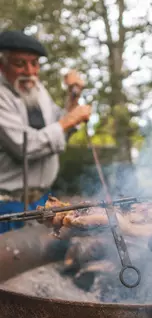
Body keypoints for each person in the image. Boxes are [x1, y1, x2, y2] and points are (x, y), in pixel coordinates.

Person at [0, 30, 92, 234]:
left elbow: (58, 127)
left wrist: (72, 100)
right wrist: (70, 119)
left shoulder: (37, 89)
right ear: (2, 65)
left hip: (42, 201)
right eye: (20, 63)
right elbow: (26, 147)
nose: (30, 71)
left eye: (34, 63)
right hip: (7, 206)